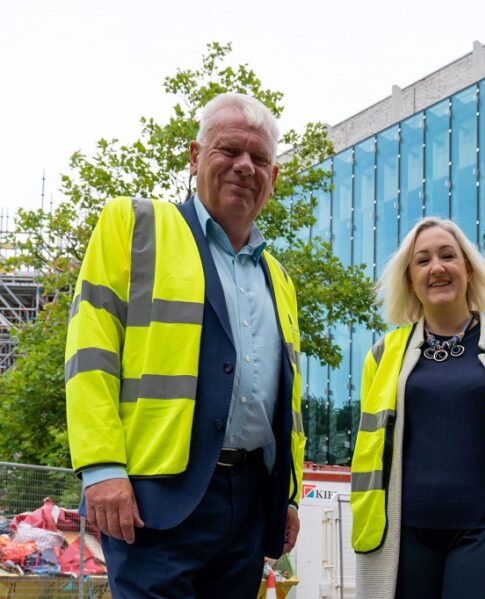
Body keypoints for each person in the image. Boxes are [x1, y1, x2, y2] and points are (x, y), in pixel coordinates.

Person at [65, 93, 306, 598]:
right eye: (229, 150)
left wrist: (289, 496)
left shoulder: (278, 278)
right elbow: (91, 354)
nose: (245, 166)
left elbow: (288, 403)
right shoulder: (134, 225)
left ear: (273, 178)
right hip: (154, 498)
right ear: (196, 157)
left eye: (259, 158)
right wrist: (102, 468)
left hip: (248, 505)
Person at [350, 218, 485, 598]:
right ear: (410, 279)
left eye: (448, 256)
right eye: (422, 261)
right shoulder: (380, 356)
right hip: (401, 536)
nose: (437, 268)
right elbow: (372, 450)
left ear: (469, 268)